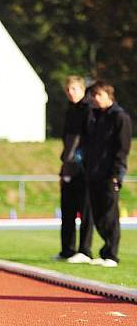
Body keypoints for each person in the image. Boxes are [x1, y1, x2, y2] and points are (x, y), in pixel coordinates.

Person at [81, 81, 132, 267]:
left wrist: (117, 173)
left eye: (98, 95)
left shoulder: (120, 117)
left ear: (109, 96)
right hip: (93, 172)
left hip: (110, 173)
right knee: (98, 214)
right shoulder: (95, 117)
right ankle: (104, 253)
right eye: (93, 95)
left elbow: (123, 148)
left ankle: (112, 255)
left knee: (110, 214)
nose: (95, 99)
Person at [57, 75, 94, 263]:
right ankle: (67, 250)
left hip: (85, 168)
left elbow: (88, 140)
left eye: (75, 89)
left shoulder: (89, 110)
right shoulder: (69, 111)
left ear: (82, 89)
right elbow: (68, 141)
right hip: (70, 166)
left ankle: (85, 251)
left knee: (86, 211)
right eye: (68, 90)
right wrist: (65, 166)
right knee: (67, 209)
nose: (71, 93)